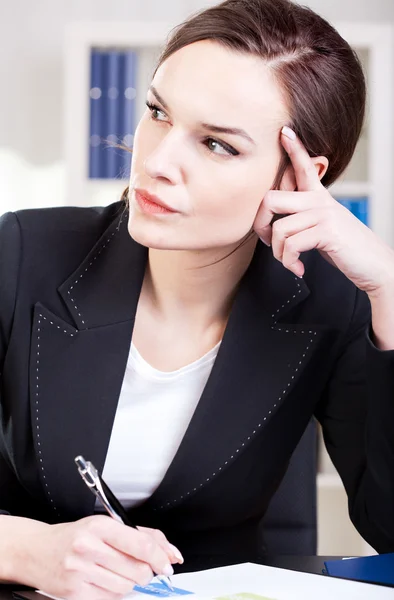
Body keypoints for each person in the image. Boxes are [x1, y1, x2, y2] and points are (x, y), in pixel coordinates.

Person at [1, 0, 394, 597]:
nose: (155, 163)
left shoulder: (333, 306)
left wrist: (391, 290)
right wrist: (25, 550)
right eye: (158, 112)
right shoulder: (22, 252)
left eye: (216, 145)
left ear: (295, 179)